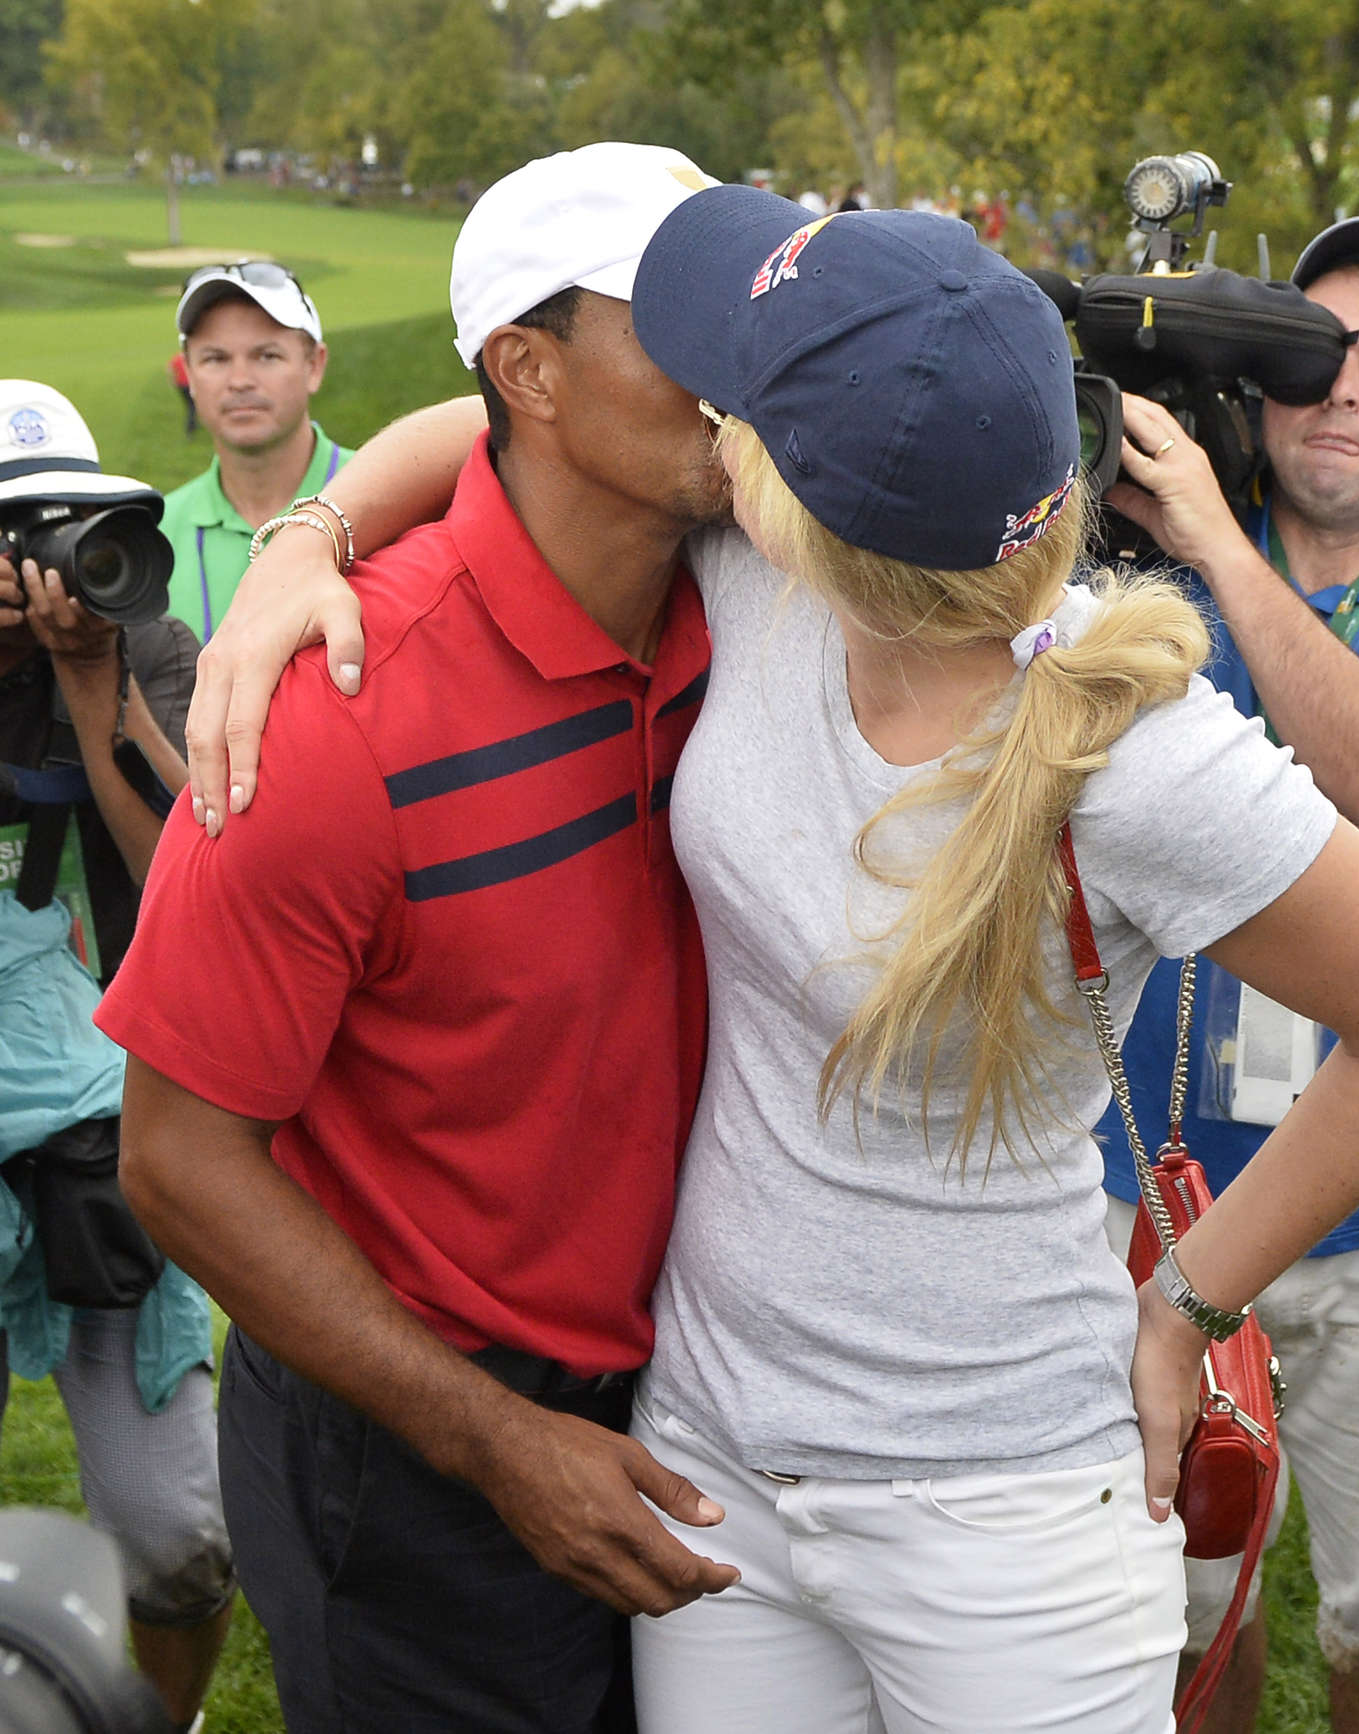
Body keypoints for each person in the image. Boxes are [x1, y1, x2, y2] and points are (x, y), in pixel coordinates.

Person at [173, 188, 1359, 1733]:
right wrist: (298, 542)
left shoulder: (1132, 743)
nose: (705, 395)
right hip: (718, 1471)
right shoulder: (774, 570)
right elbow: (491, 426)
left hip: (1005, 1509)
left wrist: (1188, 1299)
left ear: (796, 478)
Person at [96, 144, 742, 1734]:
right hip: (412, 1461)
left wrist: (313, 514)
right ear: (530, 366)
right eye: (689, 321)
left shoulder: (738, 578)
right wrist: (495, 1444)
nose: (750, 366)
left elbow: (472, 433)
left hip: (677, 1404)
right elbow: (178, 1159)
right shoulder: (327, 719)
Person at [1095, 215, 1359, 1734]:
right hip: (1162, 1196)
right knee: (1186, 1610)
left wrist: (1216, 546)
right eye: (1306, 357)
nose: (1337, 391)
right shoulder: (1142, 565)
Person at [0, 382, 233, 1734]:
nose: (47, 565)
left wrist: (91, 678)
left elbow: (185, 869)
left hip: (105, 1113)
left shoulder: (138, 637)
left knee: (177, 1535)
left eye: (62, 522)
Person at [160, 260, 352, 642]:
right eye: (215, 359)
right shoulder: (156, 534)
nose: (240, 381)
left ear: (314, 365)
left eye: (267, 356)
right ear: (190, 375)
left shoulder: (395, 495)